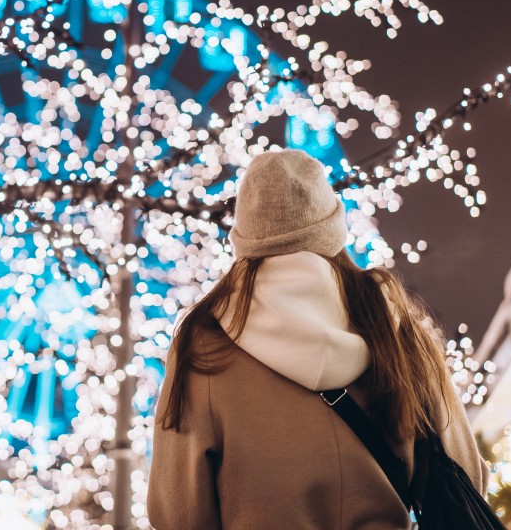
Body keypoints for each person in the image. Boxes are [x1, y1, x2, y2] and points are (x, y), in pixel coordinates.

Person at [147, 149, 487, 529]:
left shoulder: (204, 342)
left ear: (244, 236)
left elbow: (177, 514)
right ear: (331, 227)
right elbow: (466, 475)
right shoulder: (394, 323)